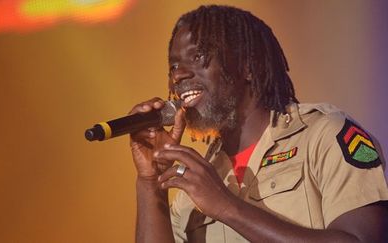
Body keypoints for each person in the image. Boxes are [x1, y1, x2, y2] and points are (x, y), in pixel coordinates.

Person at [128, 5, 388, 243]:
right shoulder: (195, 182)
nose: (179, 74)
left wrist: (227, 207)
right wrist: (150, 180)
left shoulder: (324, 136)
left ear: (247, 66)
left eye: (199, 57)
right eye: (174, 65)